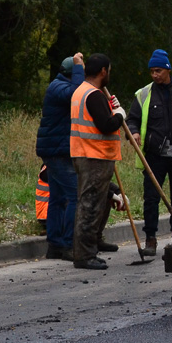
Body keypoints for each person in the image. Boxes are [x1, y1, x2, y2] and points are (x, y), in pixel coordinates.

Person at [126, 49, 172, 257]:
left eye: (158, 70)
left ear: (167, 69)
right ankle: (151, 239)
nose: (155, 75)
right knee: (151, 199)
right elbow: (132, 119)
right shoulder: (144, 94)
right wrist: (134, 133)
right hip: (154, 156)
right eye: (151, 71)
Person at [69, 53, 127, 270]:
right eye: (108, 71)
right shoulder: (93, 95)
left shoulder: (80, 92)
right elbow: (106, 124)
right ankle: (84, 256)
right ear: (103, 71)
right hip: (94, 156)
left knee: (90, 203)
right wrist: (119, 114)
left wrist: (111, 108)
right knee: (90, 206)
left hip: (84, 154)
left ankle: (87, 251)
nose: (109, 74)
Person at [36, 53, 84, 261]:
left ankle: (55, 245)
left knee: (58, 198)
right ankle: (66, 244)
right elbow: (77, 95)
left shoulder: (57, 85)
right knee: (74, 195)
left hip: (56, 149)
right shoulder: (59, 88)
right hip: (57, 151)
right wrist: (80, 68)